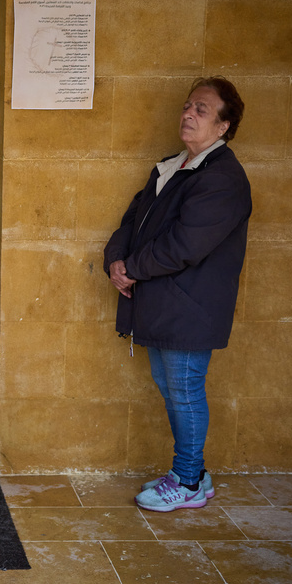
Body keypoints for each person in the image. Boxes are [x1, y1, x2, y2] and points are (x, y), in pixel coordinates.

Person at [103, 76, 251, 513]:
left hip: (189, 307)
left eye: (202, 110)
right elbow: (133, 219)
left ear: (223, 127)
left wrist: (132, 268)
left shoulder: (222, 178)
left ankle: (187, 480)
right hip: (165, 302)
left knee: (184, 390)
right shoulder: (173, 166)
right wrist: (116, 257)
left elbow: (184, 245)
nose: (188, 113)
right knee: (172, 388)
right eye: (188, 106)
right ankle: (193, 474)